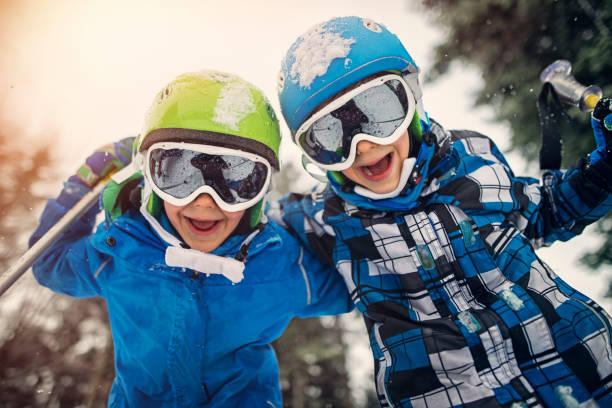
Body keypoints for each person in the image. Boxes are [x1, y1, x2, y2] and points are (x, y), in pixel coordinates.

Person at [271, 16, 612, 407]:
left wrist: (603, 171)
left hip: (586, 369)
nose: (362, 145)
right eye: (330, 136)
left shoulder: (471, 159)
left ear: (412, 98)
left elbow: (546, 212)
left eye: (378, 111)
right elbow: (244, 229)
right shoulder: (326, 217)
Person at [29, 70, 352, 407]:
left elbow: (361, 285)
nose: (204, 199)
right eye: (179, 174)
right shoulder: (121, 251)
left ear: (258, 195)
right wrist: (82, 186)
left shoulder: (280, 264)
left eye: (236, 180)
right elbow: (48, 262)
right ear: (151, 179)